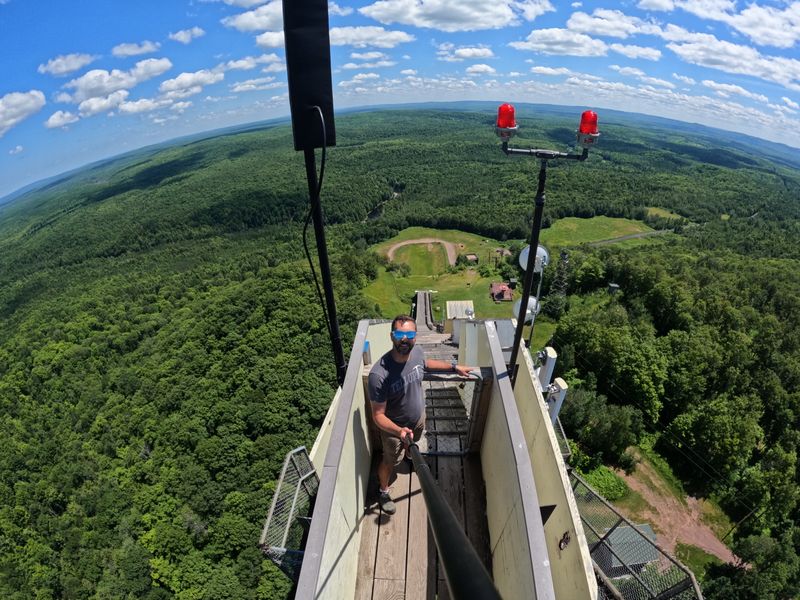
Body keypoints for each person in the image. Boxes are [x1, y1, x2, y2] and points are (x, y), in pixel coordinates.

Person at [368, 315, 475, 515]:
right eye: (399, 334)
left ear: (415, 337)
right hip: (394, 430)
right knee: (390, 462)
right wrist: (399, 431)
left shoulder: (416, 352)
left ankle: (410, 456)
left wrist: (454, 367)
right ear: (391, 336)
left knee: (414, 443)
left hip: (417, 419)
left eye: (410, 334)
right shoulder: (379, 375)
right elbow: (378, 415)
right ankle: (383, 491)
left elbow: (426, 364)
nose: (404, 339)